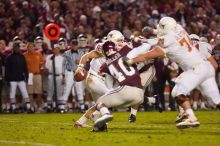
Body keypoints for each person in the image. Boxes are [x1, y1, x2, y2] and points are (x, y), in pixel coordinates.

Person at [124, 17, 220, 129]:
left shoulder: (167, 41)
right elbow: (161, 37)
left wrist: (131, 60)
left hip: (196, 69)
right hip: (206, 68)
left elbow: (149, 53)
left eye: (161, 26)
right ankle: (188, 115)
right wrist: (149, 34)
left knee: (177, 92)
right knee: (217, 101)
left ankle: (191, 118)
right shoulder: (179, 29)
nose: (158, 28)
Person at [76, 40, 144, 131]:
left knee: (100, 105)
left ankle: (81, 122)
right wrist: (80, 66)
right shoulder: (104, 51)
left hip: (97, 80)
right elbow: (87, 55)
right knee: (110, 98)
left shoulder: (112, 57)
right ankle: (104, 120)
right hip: (94, 79)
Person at [5, 42, 32, 113]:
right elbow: (7, 69)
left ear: (19, 48)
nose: (16, 48)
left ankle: (28, 107)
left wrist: (27, 76)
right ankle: (13, 107)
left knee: (24, 92)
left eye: (17, 47)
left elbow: (25, 68)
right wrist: (7, 79)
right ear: (13, 48)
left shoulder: (22, 56)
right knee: (12, 93)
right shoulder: (9, 57)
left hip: (21, 78)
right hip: (12, 79)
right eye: (15, 47)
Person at [24, 42, 45, 112]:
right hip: (29, 75)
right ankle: (31, 107)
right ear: (27, 48)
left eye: (32, 46)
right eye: (29, 47)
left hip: (37, 74)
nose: (30, 48)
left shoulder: (38, 53)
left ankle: (39, 107)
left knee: (39, 92)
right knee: (30, 92)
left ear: (34, 47)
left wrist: (42, 67)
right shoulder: (24, 55)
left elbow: (43, 62)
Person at [45, 44, 64, 112]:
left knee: (60, 91)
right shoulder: (49, 57)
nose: (56, 50)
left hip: (59, 76)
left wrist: (64, 77)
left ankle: (60, 106)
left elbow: (64, 69)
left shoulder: (62, 58)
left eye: (57, 48)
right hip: (51, 75)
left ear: (59, 49)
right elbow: (46, 67)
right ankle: (49, 106)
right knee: (50, 91)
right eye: (55, 49)